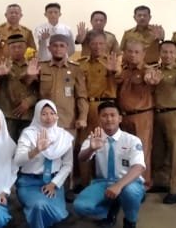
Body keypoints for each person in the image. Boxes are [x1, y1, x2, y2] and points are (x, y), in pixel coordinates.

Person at [74, 102, 145, 228]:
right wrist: (91, 149)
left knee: (130, 192)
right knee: (80, 207)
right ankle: (110, 210)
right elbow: (82, 158)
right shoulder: (94, 137)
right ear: (99, 118)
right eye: (104, 115)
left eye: (113, 115)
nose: (109, 119)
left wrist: (118, 185)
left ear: (120, 118)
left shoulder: (132, 140)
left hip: (128, 182)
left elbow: (138, 167)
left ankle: (130, 220)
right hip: (103, 182)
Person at [14, 100, 74, 228]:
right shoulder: (28, 134)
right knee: (39, 206)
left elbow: (67, 165)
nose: (49, 117)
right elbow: (17, 161)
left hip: (53, 182)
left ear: (57, 116)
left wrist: (54, 184)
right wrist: (36, 150)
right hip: (29, 182)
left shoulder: (64, 137)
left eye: (52, 113)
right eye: (44, 114)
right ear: (37, 115)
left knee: (57, 214)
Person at [148, 40, 176, 204]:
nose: (168, 55)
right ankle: (161, 182)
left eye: (171, 52)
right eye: (165, 52)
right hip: (155, 114)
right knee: (158, 151)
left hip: (175, 114)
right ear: (160, 53)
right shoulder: (153, 70)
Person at [117, 40, 161, 188]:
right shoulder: (123, 70)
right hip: (123, 116)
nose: (133, 55)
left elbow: (151, 78)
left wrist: (152, 79)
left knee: (142, 151)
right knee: (125, 151)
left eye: (137, 52)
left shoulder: (147, 70)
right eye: (130, 51)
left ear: (143, 54)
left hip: (142, 116)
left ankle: (143, 185)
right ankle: (126, 183)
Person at [77, 31, 119, 186]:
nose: (97, 47)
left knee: (107, 144)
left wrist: (113, 71)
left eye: (101, 43)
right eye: (94, 44)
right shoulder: (81, 63)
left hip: (107, 107)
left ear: (106, 45)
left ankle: (108, 181)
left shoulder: (113, 62)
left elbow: (120, 77)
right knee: (85, 144)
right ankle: (85, 183)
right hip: (87, 106)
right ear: (88, 45)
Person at [28, 34, 88, 135]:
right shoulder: (41, 67)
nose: (58, 49)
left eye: (62, 46)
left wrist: (82, 117)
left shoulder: (75, 69)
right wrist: (29, 75)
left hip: (67, 122)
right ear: (49, 48)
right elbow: (28, 86)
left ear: (67, 48)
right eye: (55, 46)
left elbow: (81, 96)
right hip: (44, 123)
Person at [0, 34, 38, 141]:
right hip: (7, 114)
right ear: (8, 49)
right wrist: (0, 75)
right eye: (13, 47)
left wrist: (29, 101)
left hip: (28, 115)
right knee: (7, 146)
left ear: (26, 48)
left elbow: (42, 89)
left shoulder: (33, 64)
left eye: (20, 47)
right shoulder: (1, 64)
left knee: (27, 145)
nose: (17, 50)